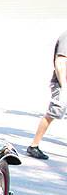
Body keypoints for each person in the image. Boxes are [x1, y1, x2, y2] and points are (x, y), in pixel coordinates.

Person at [27, 29, 67, 160]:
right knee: (53, 113)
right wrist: (63, 86)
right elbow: (60, 62)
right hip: (63, 83)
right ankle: (34, 146)